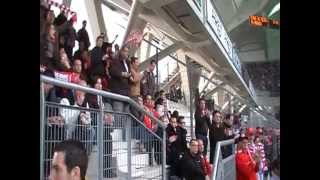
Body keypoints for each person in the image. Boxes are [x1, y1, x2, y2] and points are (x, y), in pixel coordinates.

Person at [109, 46, 131, 112]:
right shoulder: (115, 60)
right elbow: (112, 71)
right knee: (118, 115)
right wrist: (122, 74)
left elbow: (128, 74)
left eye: (127, 52)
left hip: (126, 93)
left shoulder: (127, 62)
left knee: (126, 116)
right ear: (121, 52)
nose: (127, 53)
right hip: (118, 92)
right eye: (125, 51)